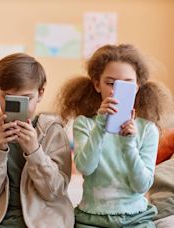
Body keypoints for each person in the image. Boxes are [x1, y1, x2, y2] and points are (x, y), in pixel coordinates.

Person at [57, 44, 172, 227]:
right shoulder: (84, 123)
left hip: (136, 218)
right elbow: (85, 168)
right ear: (96, 84)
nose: (115, 90)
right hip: (91, 217)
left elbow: (142, 185)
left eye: (126, 83)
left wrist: (129, 144)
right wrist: (100, 126)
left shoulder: (147, 129)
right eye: (110, 83)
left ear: (137, 86)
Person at [0, 53, 74, 228]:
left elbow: (54, 191)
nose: (20, 106)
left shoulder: (53, 132)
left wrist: (35, 152)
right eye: (9, 98)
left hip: (43, 221)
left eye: (27, 98)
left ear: (41, 93)